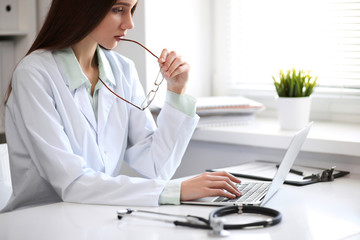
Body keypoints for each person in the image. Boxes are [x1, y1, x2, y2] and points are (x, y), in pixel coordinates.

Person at [1, 0, 241, 212]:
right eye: (118, 9)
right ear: (83, 8)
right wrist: (174, 190)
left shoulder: (123, 69)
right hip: (40, 222)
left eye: (132, 10)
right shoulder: (34, 75)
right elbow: (71, 183)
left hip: (97, 216)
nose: (129, 23)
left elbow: (156, 167)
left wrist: (176, 92)